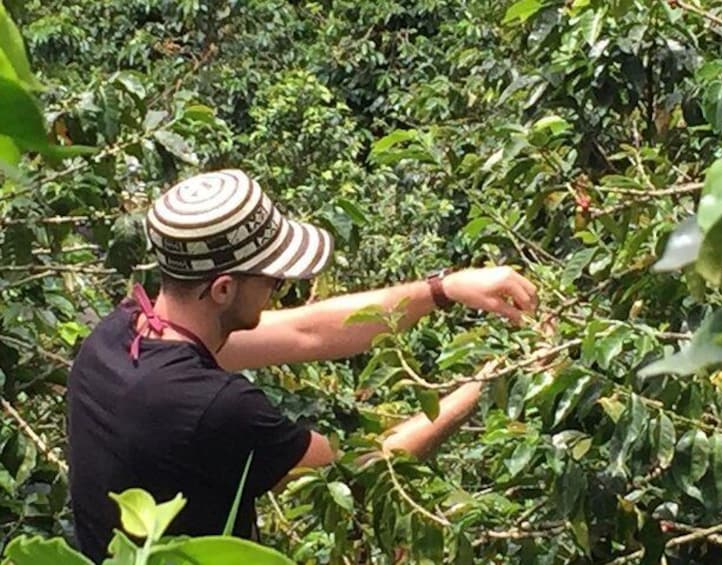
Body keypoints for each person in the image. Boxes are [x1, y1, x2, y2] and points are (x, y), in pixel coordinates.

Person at [67, 169, 538, 561]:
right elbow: (367, 466)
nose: (281, 286)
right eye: (272, 277)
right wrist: (490, 382)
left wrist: (445, 289)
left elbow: (305, 331)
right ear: (224, 290)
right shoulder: (215, 407)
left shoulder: (120, 334)